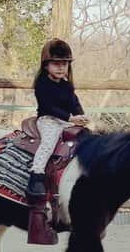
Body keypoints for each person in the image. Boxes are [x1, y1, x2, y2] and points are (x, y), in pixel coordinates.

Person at [26, 38, 89, 199]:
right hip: (47, 119)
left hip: (65, 120)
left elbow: (74, 102)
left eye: (65, 63)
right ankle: (37, 174)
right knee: (49, 142)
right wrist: (71, 118)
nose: (61, 67)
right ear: (46, 65)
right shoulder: (42, 84)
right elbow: (48, 107)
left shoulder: (66, 85)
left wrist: (80, 116)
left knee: (87, 137)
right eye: (56, 63)